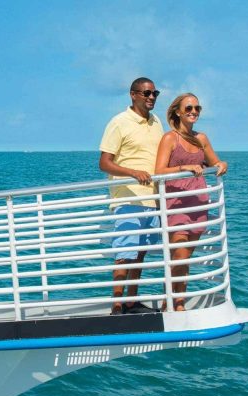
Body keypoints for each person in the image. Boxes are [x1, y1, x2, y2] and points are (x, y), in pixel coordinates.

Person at [155, 93, 228, 311]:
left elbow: (215, 162)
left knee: (186, 256)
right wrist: (183, 168)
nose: (193, 112)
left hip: (198, 203)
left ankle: (176, 300)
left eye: (197, 108)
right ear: (178, 111)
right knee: (178, 254)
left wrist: (222, 164)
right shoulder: (170, 138)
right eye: (188, 108)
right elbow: (158, 171)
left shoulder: (202, 138)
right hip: (175, 202)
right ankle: (173, 301)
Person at [99, 77, 164, 315]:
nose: (151, 97)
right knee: (124, 254)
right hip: (127, 198)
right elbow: (104, 163)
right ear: (133, 94)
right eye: (146, 93)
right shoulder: (119, 122)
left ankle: (131, 301)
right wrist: (132, 173)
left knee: (140, 253)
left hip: (152, 198)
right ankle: (116, 306)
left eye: (154, 93)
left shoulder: (156, 122)